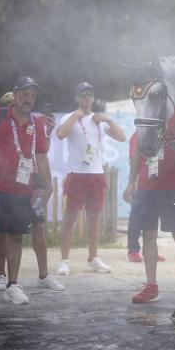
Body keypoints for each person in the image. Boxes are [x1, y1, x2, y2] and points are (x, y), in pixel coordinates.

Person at [0, 76, 54, 304]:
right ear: (15, 95)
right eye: (25, 94)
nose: (29, 99)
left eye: (33, 96)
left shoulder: (36, 124)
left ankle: (13, 285)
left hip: (22, 189)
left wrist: (48, 184)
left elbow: (42, 156)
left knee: (16, 236)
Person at [0, 92, 65, 292]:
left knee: (39, 227)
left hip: (32, 180)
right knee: (4, 231)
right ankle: (0, 275)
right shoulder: (1, 124)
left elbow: (41, 153)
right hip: (7, 183)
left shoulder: (33, 124)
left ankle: (44, 275)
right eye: (7, 105)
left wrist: (47, 131)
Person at [122, 108, 175, 303]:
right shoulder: (145, 117)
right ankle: (151, 286)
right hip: (147, 187)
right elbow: (137, 150)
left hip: (172, 186)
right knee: (149, 235)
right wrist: (132, 181)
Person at [56, 82, 125, 275]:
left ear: (93, 98)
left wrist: (109, 120)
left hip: (96, 173)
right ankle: (64, 260)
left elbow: (121, 137)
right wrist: (76, 116)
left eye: (89, 94)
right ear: (76, 98)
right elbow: (61, 134)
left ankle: (93, 258)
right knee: (70, 218)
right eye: (82, 94)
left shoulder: (99, 120)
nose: (86, 98)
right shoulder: (69, 117)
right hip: (76, 173)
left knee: (94, 217)